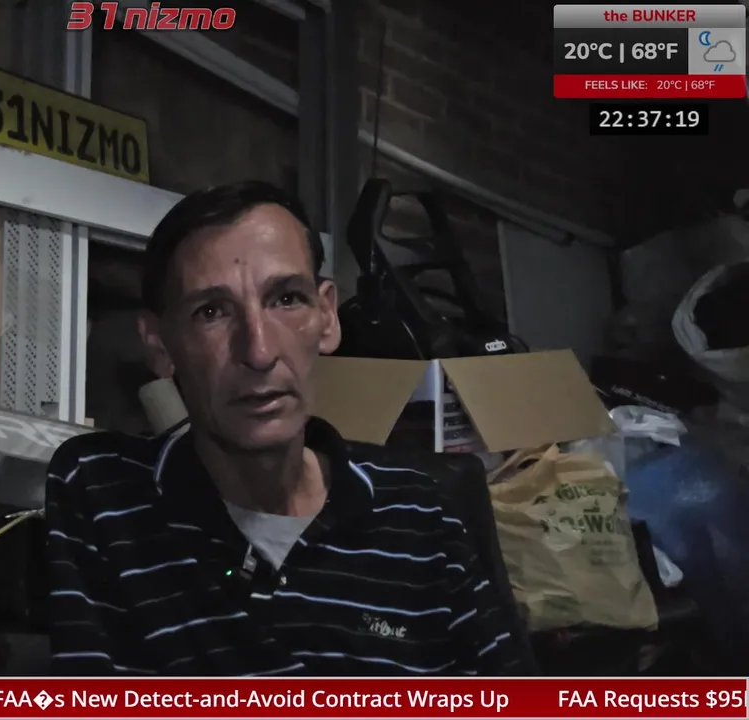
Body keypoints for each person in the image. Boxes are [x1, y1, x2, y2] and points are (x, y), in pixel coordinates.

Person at [45, 181, 527, 676]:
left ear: (327, 317)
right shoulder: (104, 494)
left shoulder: (422, 515)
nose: (258, 352)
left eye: (286, 299)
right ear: (159, 344)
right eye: (211, 312)